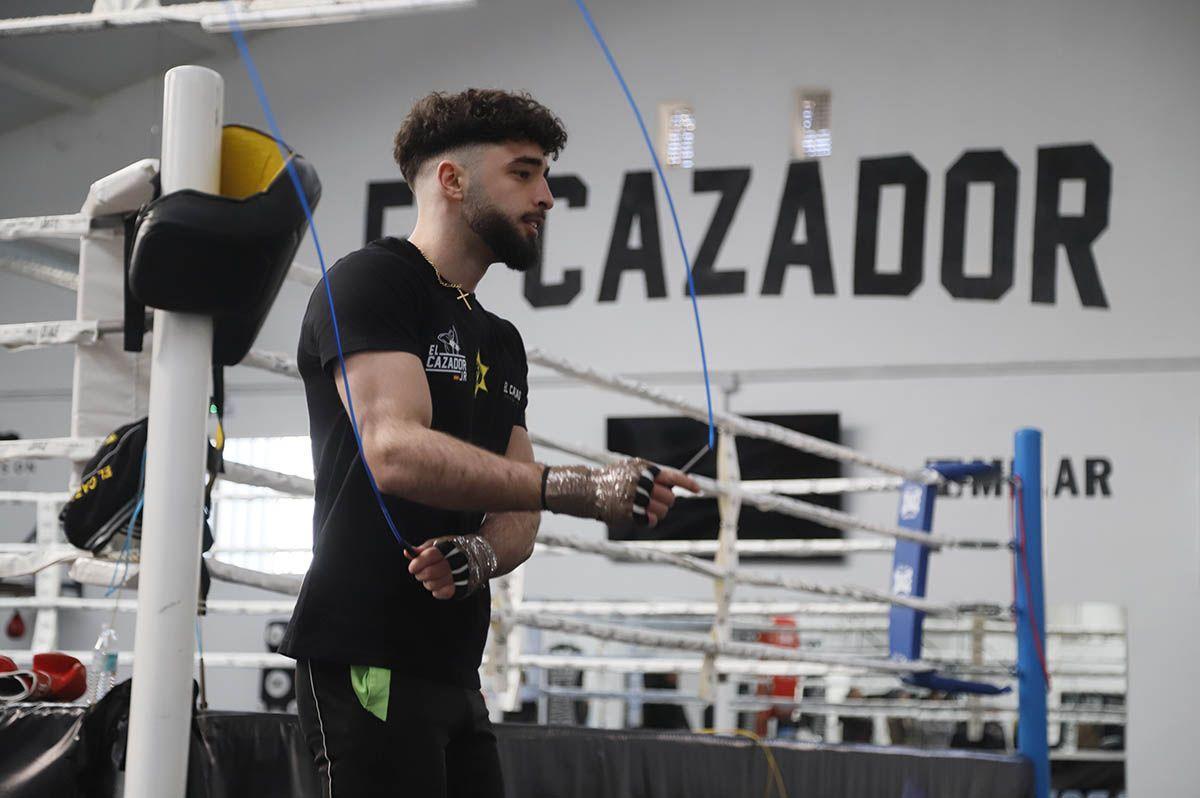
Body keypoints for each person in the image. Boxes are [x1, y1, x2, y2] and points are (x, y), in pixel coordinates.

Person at [279, 88, 699, 798]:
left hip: (453, 669)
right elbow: (394, 451)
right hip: (364, 653)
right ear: (452, 179)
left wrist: (481, 551)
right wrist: (583, 488)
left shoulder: (498, 339)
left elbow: (517, 509)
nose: (547, 196)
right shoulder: (372, 282)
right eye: (525, 172)